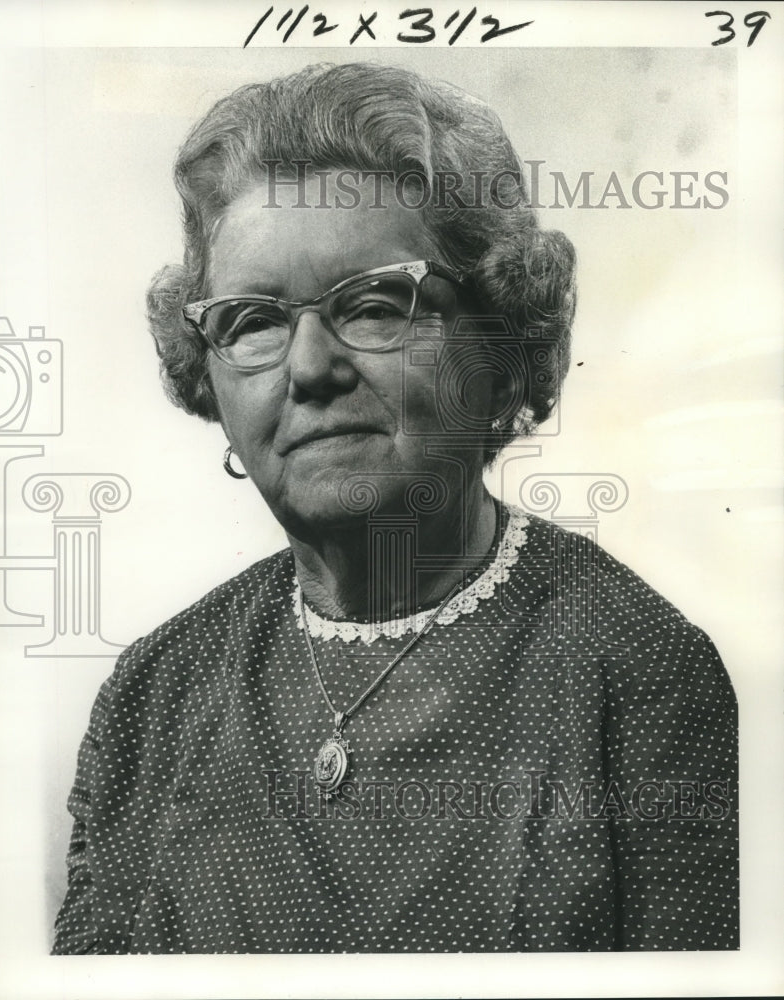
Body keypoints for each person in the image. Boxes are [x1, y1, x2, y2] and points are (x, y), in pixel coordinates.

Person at [52, 62, 738, 954]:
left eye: (375, 305)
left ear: (498, 345)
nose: (307, 368)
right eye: (252, 321)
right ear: (206, 375)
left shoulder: (640, 672)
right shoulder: (153, 692)